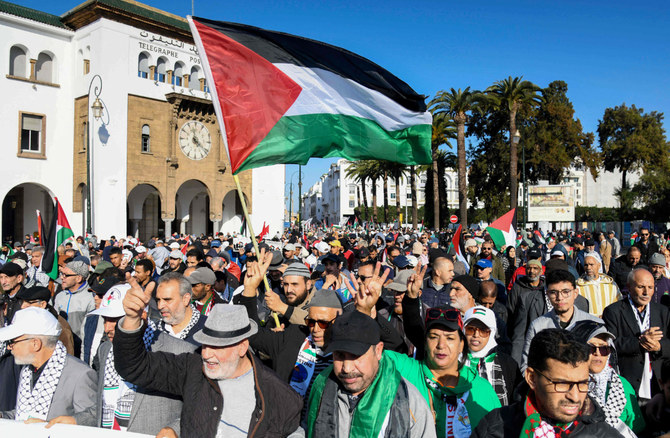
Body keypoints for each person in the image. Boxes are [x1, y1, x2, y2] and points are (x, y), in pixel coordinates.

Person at [113, 283, 303, 437]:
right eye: (205, 344)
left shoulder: (280, 396)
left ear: (242, 347)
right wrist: (131, 319)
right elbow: (133, 368)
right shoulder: (193, 368)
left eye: (217, 346)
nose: (206, 354)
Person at [306, 310, 436, 438]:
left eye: (356, 356)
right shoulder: (320, 386)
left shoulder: (409, 402)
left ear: (378, 351)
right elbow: (307, 428)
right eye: (339, 355)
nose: (347, 368)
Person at [471, 329, 622, 437]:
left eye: (583, 383)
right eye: (562, 383)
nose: (575, 397)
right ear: (532, 378)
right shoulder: (496, 429)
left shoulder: (603, 434)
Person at [91, 280, 197, 434]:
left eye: (116, 320)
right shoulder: (105, 350)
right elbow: (104, 405)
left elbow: (199, 407)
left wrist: (175, 429)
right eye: (105, 320)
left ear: (142, 315)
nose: (107, 328)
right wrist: (75, 419)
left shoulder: (181, 350)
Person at [385, 301, 501, 436]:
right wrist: (363, 312)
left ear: (461, 344)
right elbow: (370, 357)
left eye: (450, 338)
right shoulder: (404, 370)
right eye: (434, 337)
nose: (441, 345)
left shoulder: (482, 390)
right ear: (425, 342)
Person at [0, 307, 97, 425]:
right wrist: (3, 416)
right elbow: (23, 414)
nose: (9, 347)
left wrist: (52, 425)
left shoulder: (80, 374)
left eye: (12, 342)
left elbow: (93, 419)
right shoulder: (27, 371)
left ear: (35, 344)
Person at [603, 268, 670, 402]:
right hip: (628, 383)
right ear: (629, 286)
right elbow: (611, 345)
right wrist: (640, 342)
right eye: (641, 287)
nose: (646, 292)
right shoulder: (614, 311)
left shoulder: (663, 312)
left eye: (650, 287)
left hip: (658, 384)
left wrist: (658, 346)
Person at [570, 320, 645, 437]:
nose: (598, 353)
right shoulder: (566, 385)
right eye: (591, 348)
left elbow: (635, 429)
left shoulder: (622, 385)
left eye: (604, 349)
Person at [520, 269, 602, 371]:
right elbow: (527, 365)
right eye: (553, 292)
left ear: (575, 293)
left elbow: (605, 363)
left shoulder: (595, 325)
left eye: (566, 292)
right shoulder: (538, 326)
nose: (560, 297)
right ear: (547, 294)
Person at [462, 306, 521, 406]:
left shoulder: (507, 363)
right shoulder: (456, 360)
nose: (476, 335)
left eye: (483, 330)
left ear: (492, 332)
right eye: (470, 329)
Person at [16, 286, 74, 355]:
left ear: (43, 304)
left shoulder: (59, 328)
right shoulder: (24, 320)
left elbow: (67, 357)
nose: (22, 306)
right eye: (21, 302)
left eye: (29, 303)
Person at [53, 260, 94, 357]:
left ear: (78, 278)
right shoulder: (60, 296)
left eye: (66, 275)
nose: (62, 277)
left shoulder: (90, 298)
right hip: (60, 348)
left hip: (79, 350)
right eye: (62, 274)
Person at [152, 272, 206, 345]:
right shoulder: (153, 330)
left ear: (185, 299)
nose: (160, 306)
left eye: (167, 300)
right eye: (158, 300)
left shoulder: (208, 328)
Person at [576, 251, 622, 318]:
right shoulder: (578, 286)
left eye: (591, 264)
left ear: (599, 265)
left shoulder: (611, 285)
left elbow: (619, 303)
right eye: (586, 265)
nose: (588, 268)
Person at [1, 262, 26, 326]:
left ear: (19, 278)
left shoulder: (29, 299)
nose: (3, 282)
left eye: (7, 277)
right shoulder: (2, 299)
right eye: (1, 277)